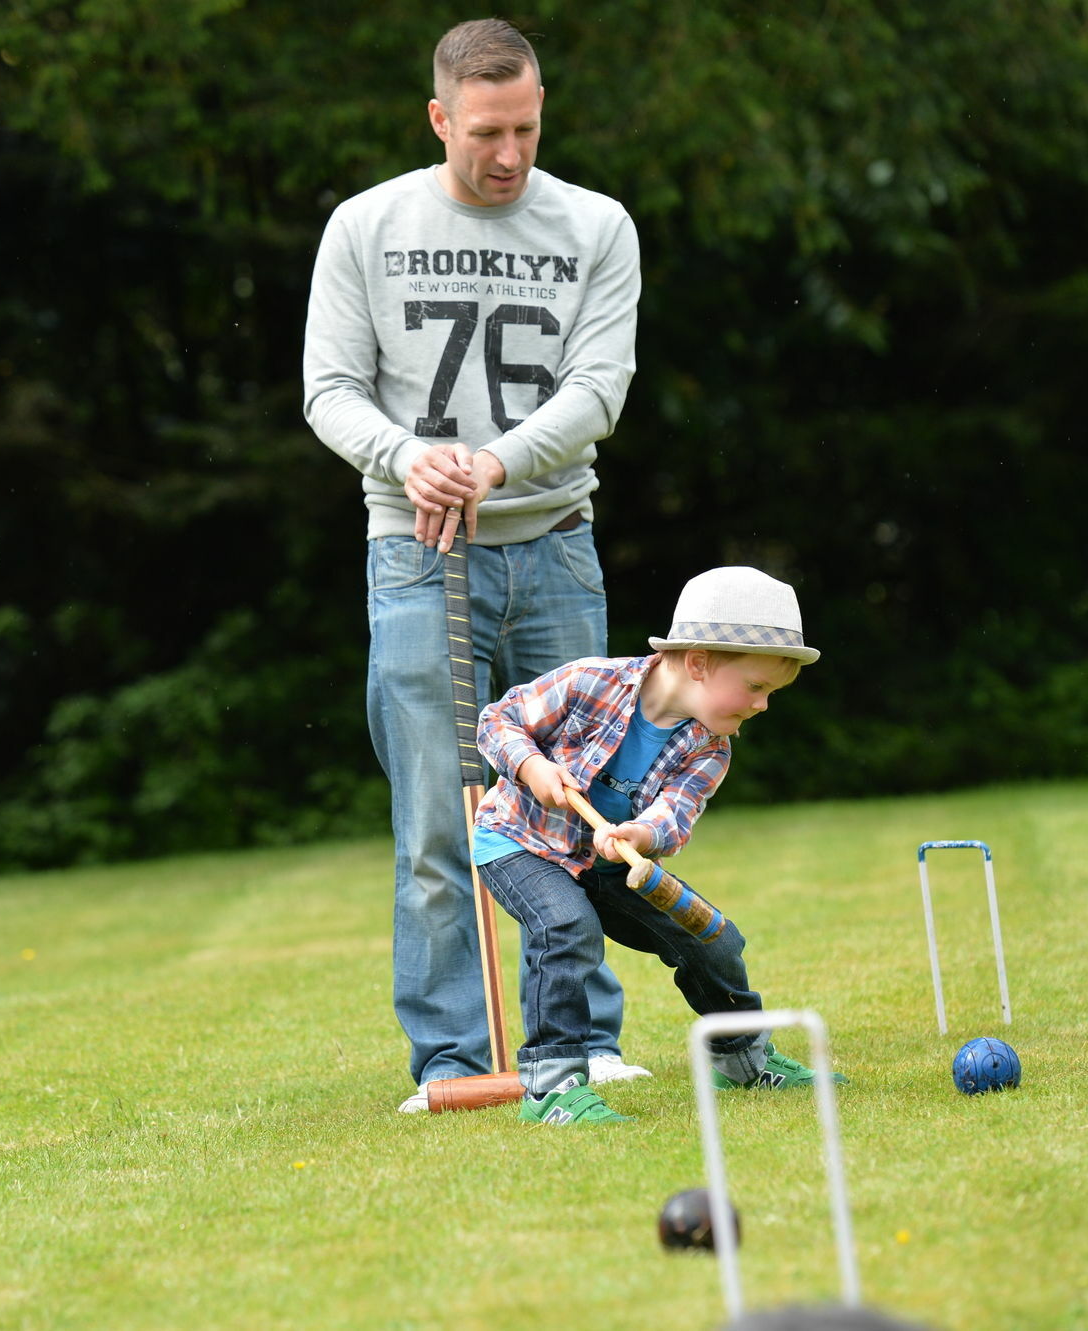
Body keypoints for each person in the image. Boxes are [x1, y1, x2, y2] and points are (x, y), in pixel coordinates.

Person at [303, 17, 649, 1111]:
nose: (507, 156)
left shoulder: (595, 225)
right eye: (485, 133)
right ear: (439, 118)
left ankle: (582, 1037)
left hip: (551, 545)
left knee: (576, 801)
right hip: (413, 552)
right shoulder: (365, 224)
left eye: (528, 131)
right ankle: (453, 1057)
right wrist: (411, 459)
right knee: (437, 814)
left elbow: (597, 390)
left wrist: (492, 464)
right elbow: (328, 390)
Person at [471, 567, 843, 1124]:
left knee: (714, 939)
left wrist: (638, 835)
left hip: (611, 859)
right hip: (520, 842)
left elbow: (673, 818)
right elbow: (499, 719)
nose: (763, 705)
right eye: (757, 687)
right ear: (698, 662)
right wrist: (532, 766)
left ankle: (742, 1058)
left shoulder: (709, 747)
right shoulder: (589, 682)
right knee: (565, 927)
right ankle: (551, 1087)